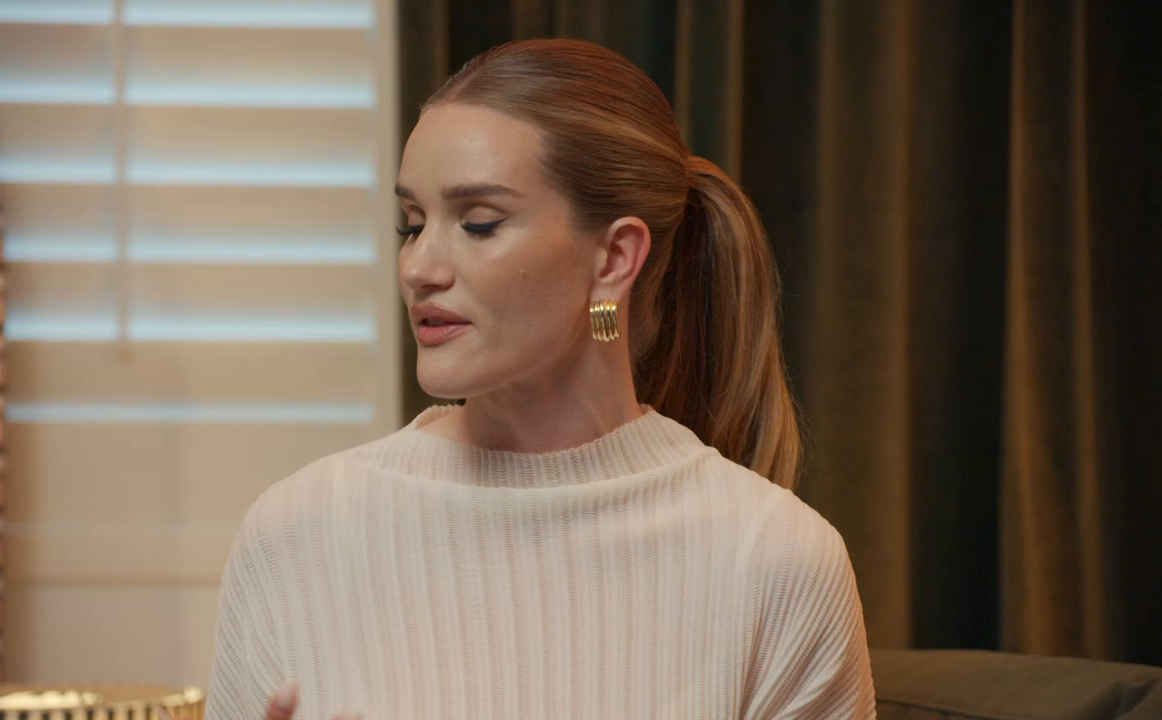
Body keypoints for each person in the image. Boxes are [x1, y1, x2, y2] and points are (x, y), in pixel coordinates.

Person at [205, 38, 875, 720]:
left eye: (478, 223)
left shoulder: (775, 563)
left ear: (614, 258)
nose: (419, 269)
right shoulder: (296, 535)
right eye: (412, 225)